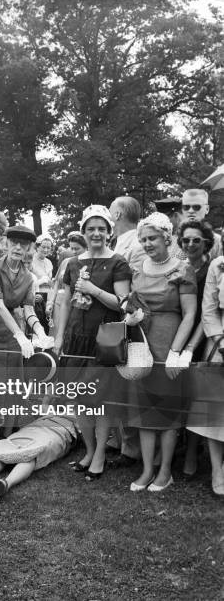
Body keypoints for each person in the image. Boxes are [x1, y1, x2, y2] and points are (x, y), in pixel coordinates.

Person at [54, 205, 131, 481]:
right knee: (79, 399)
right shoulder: (73, 263)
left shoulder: (118, 262)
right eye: (91, 229)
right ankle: (88, 452)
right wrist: (60, 335)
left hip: (105, 339)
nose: (96, 233)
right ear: (83, 232)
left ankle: (100, 455)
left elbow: (123, 304)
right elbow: (64, 301)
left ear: (109, 232)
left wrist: (94, 290)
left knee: (102, 401)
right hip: (76, 339)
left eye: (101, 228)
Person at [127, 212, 197, 492]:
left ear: (167, 237)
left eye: (152, 237)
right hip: (143, 344)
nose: (147, 243)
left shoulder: (182, 268)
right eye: (143, 238)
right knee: (144, 412)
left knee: (167, 413)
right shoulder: (138, 268)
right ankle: (147, 470)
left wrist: (176, 352)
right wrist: (131, 315)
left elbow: (191, 314)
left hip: (170, 341)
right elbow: (134, 305)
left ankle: (165, 471)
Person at [0, 225, 51, 443]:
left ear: (30, 248)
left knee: (13, 385)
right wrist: (21, 336)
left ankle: (8, 434)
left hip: (11, 333)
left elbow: (29, 309)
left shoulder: (29, 277)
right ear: (5, 243)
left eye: (23, 244)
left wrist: (40, 332)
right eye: (13, 242)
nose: (18, 247)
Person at [0, 413, 77, 497]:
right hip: (36, 426)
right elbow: (44, 408)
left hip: (60, 432)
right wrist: (49, 399)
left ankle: (6, 484)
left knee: (32, 454)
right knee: (8, 447)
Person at [107, 196, 145, 467]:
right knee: (113, 383)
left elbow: (136, 286)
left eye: (111, 211)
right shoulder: (116, 241)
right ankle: (116, 437)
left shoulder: (135, 243)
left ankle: (131, 446)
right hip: (111, 319)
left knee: (130, 382)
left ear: (118, 214)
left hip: (129, 319)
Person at [176, 220, 214, 476]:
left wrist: (191, 347)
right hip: (179, 334)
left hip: (204, 338)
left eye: (196, 240)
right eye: (186, 240)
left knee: (198, 399)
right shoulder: (180, 267)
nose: (190, 244)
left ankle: (192, 452)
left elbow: (206, 313)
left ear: (207, 243)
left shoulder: (213, 268)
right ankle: (181, 445)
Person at [186, 237, 224, 495]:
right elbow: (208, 309)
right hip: (220, 340)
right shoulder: (218, 265)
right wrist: (219, 339)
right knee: (214, 410)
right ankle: (216, 469)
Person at [46, 232, 87, 337]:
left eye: (77, 249)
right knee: (56, 337)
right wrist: (50, 302)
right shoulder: (66, 262)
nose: (73, 252)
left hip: (76, 306)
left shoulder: (89, 263)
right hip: (59, 304)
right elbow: (56, 284)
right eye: (71, 248)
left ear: (86, 247)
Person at [181, 189, 222, 259]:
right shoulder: (171, 239)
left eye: (196, 207)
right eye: (186, 207)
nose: (191, 211)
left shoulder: (217, 241)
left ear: (207, 209)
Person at [32, 234, 54, 333]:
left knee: (46, 327)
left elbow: (51, 282)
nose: (46, 250)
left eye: (48, 248)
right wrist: (41, 281)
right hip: (35, 297)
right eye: (43, 247)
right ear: (37, 246)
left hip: (47, 298)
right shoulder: (31, 260)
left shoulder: (49, 262)